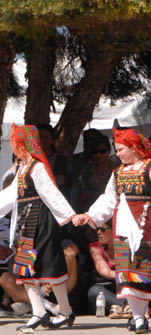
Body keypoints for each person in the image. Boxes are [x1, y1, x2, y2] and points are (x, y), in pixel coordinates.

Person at [73, 127, 151, 334]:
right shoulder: (118, 172)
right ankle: (139, 317)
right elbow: (108, 199)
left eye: (121, 149)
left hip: (146, 226)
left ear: (135, 148)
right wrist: (90, 216)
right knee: (126, 270)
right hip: (123, 225)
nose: (118, 154)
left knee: (143, 270)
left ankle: (140, 315)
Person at [0, 125, 77, 332]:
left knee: (50, 267)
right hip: (27, 222)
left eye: (16, 143)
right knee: (26, 267)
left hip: (42, 221)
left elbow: (51, 194)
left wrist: (69, 216)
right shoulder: (22, 168)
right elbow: (9, 195)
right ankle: (39, 312)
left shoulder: (37, 167)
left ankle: (65, 311)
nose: (14, 147)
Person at [87, 220, 127, 317]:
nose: (98, 232)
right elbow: (106, 273)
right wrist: (129, 276)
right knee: (94, 291)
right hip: (107, 289)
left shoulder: (125, 245)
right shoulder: (95, 248)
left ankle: (122, 309)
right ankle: (127, 307)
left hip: (124, 287)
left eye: (103, 229)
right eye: (97, 229)